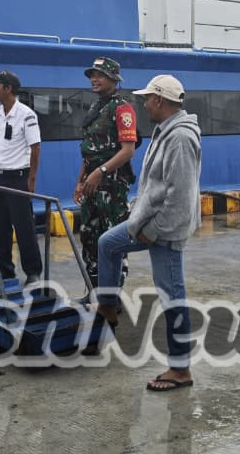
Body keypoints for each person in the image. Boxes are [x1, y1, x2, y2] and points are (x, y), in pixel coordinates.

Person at [93, 74, 201, 392]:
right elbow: (155, 185)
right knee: (107, 244)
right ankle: (108, 308)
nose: (142, 104)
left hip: (163, 229)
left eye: (146, 99)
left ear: (160, 100)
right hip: (147, 221)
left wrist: (153, 231)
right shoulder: (164, 131)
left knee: (172, 294)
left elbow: (180, 196)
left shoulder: (179, 138)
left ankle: (180, 369)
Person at [74, 56, 139, 283]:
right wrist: (80, 181)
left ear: (113, 78)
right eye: (92, 75)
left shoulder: (123, 109)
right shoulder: (95, 108)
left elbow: (128, 150)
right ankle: (94, 291)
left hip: (112, 186)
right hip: (92, 185)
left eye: (99, 75)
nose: (94, 79)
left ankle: (113, 297)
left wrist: (99, 172)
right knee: (89, 237)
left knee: (111, 238)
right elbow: (89, 149)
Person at [0, 70, 43, 284]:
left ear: (8, 89)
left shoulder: (27, 115)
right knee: (0, 228)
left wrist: (31, 181)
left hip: (19, 178)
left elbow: (35, 147)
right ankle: (5, 272)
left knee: (24, 227)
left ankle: (33, 272)